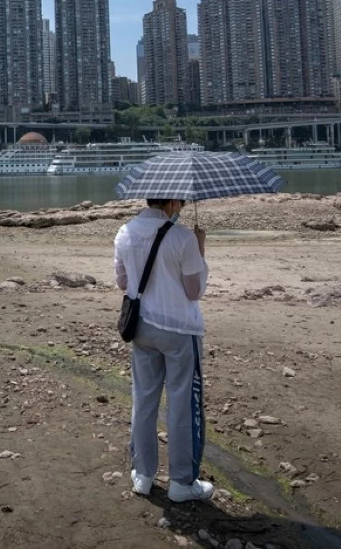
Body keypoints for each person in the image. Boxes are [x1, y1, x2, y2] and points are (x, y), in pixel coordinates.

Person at [113, 197, 213, 503]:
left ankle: (143, 475)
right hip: (180, 330)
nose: (182, 205)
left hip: (142, 327)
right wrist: (200, 250)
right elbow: (193, 291)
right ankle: (182, 482)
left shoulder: (125, 232)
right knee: (183, 403)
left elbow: (122, 282)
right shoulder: (183, 237)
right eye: (181, 201)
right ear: (171, 201)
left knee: (144, 399)